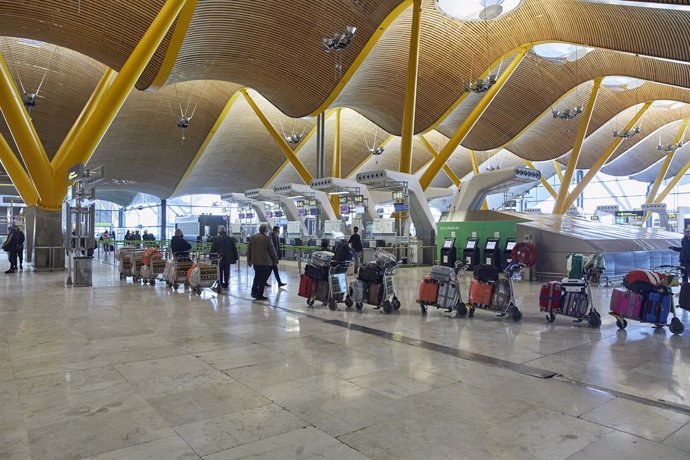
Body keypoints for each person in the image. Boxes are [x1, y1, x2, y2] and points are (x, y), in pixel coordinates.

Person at [247, 223, 279, 300]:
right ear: (266, 230)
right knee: (262, 279)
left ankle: (253, 292)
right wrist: (276, 259)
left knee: (256, 277)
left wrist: (249, 260)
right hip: (265, 262)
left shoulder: (253, 238)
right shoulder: (267, 239)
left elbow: (249, 250)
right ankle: (259, 295)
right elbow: (272, 251)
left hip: (255, 262)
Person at [210, 226, 239, 292]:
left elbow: (213, 249)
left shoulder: (216, 239)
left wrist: (211, 257)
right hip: (228, 259)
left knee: (219, 271)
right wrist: (236, 257)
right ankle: (226, 284)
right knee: (227, 271)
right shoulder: (230, 239)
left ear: (219, 232)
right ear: (225, 231)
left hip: (219, 258)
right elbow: (234, 249)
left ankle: (220, 283)